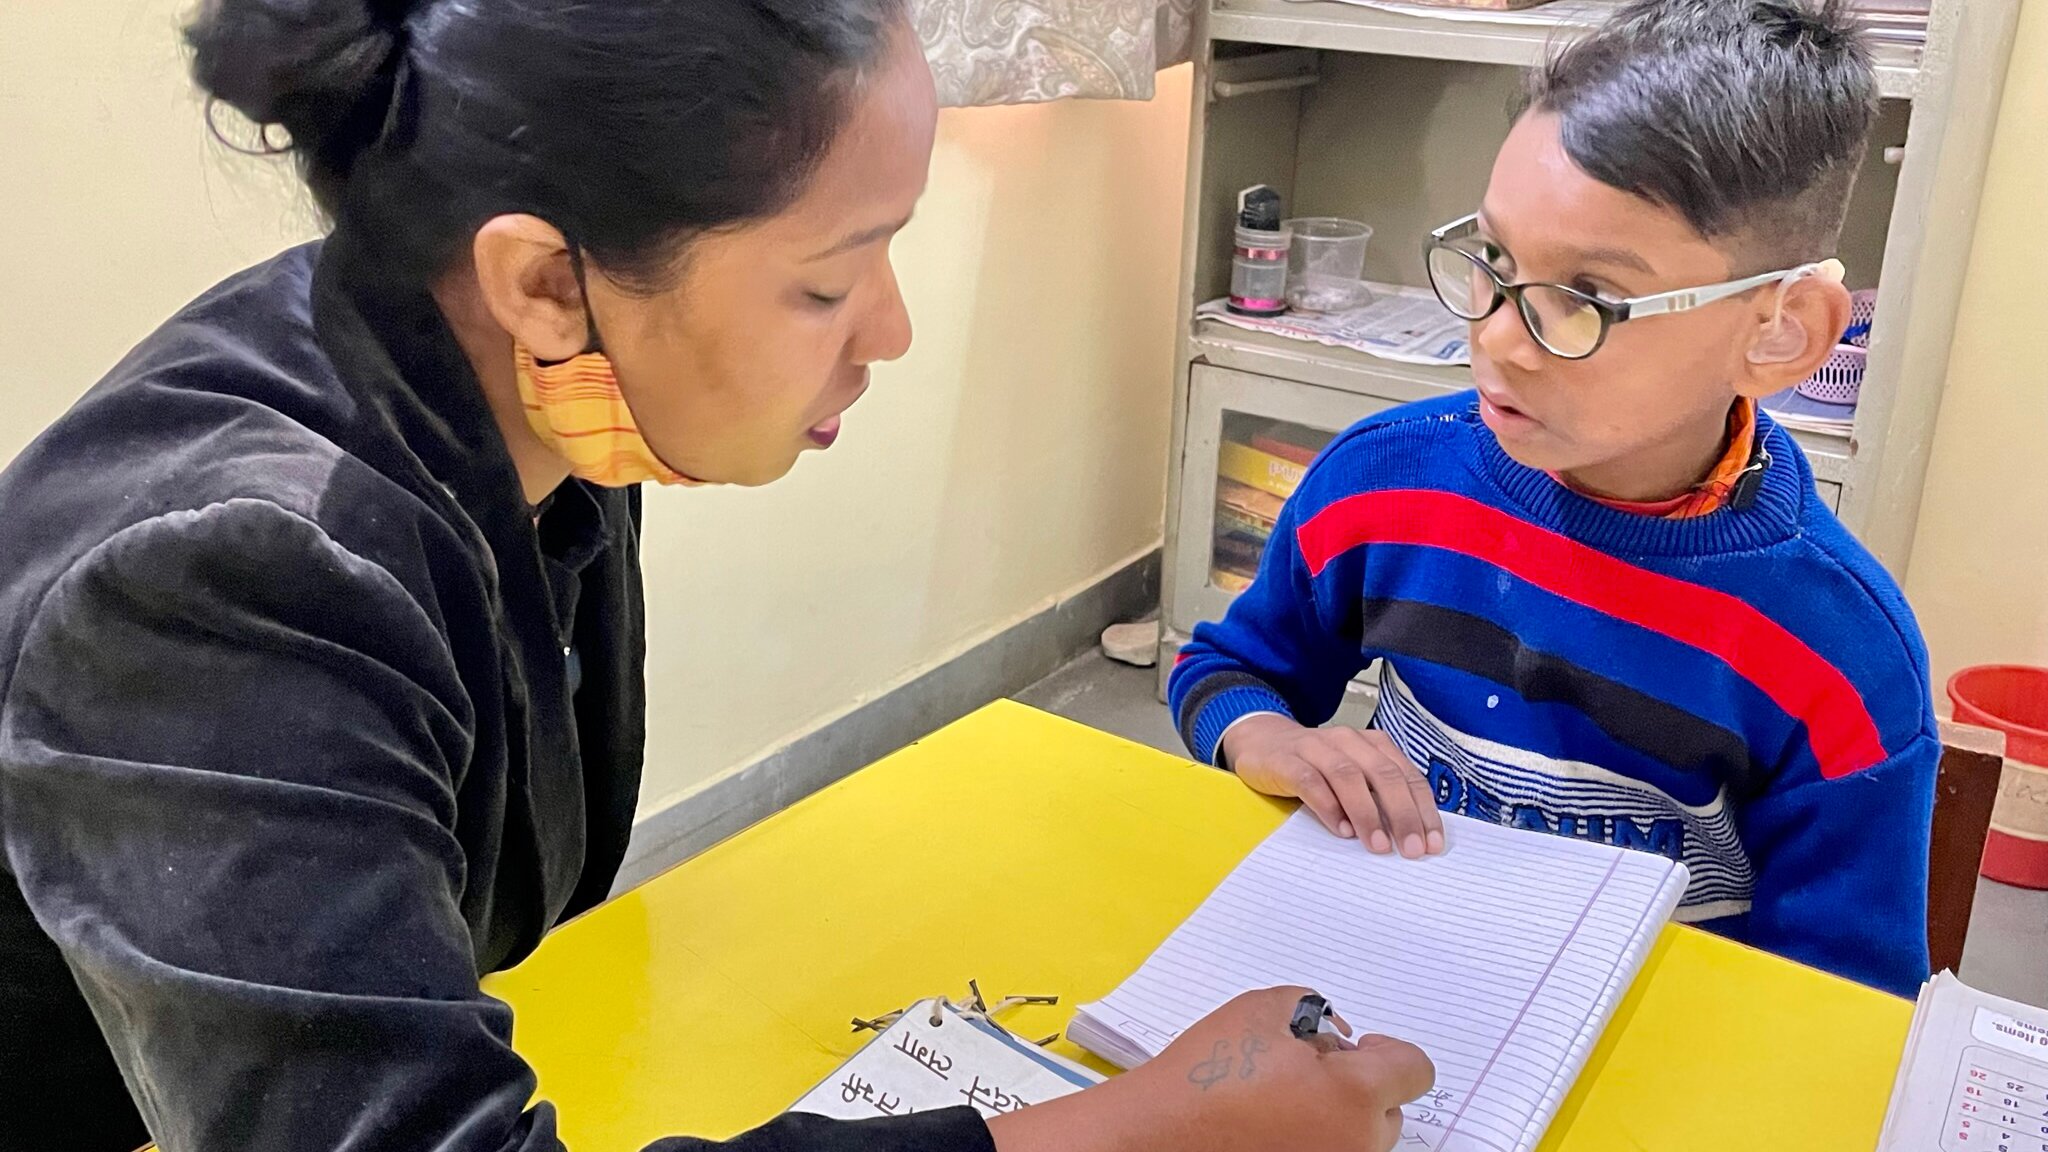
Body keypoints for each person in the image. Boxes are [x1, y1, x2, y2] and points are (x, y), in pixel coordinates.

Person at [0, 1, 1434, 1150]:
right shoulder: (232, 586)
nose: (890, 331)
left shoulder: (528, 405)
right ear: (542, 283)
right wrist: (1138, 1130)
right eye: (827, 282)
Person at [1170, 0, 1936, 998]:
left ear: (1780, 333)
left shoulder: (1838, 652)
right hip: (1385, 976)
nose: (1496, 336)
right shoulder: (1381, 485)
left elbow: (1835, 1005)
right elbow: (1225, 669)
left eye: (1586, 298)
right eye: (1493, 261)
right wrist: (1265, 737)